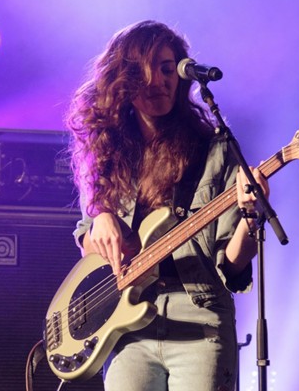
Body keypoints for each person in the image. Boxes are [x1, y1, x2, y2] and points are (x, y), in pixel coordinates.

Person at [64, 20, 270, 391]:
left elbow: (231, 265)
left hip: (200, 322)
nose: (160, 81)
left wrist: (251, 219)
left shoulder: (214, 149)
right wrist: (100, 219)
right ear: (124, 80)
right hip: (128, 329)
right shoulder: (107, 154)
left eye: (167, 68)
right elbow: (88, 246)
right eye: (146, 71)